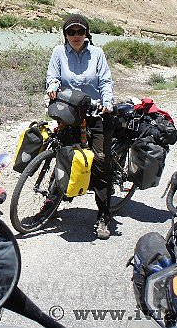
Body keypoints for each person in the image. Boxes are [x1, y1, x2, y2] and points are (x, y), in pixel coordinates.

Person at [46, 14, 114, 240]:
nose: (75, 36)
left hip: (94, 113)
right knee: (62, 155)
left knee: (101, 162)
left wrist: (107, 102)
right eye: (71, 32)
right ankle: (52, 200)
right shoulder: (59, 52)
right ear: (65, 34)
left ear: (87, 34)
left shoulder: (97, 53)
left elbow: (104, 81)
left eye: (80, 32)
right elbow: (53, 75)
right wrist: (53, 85)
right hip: (69, 112)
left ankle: (104, 216)